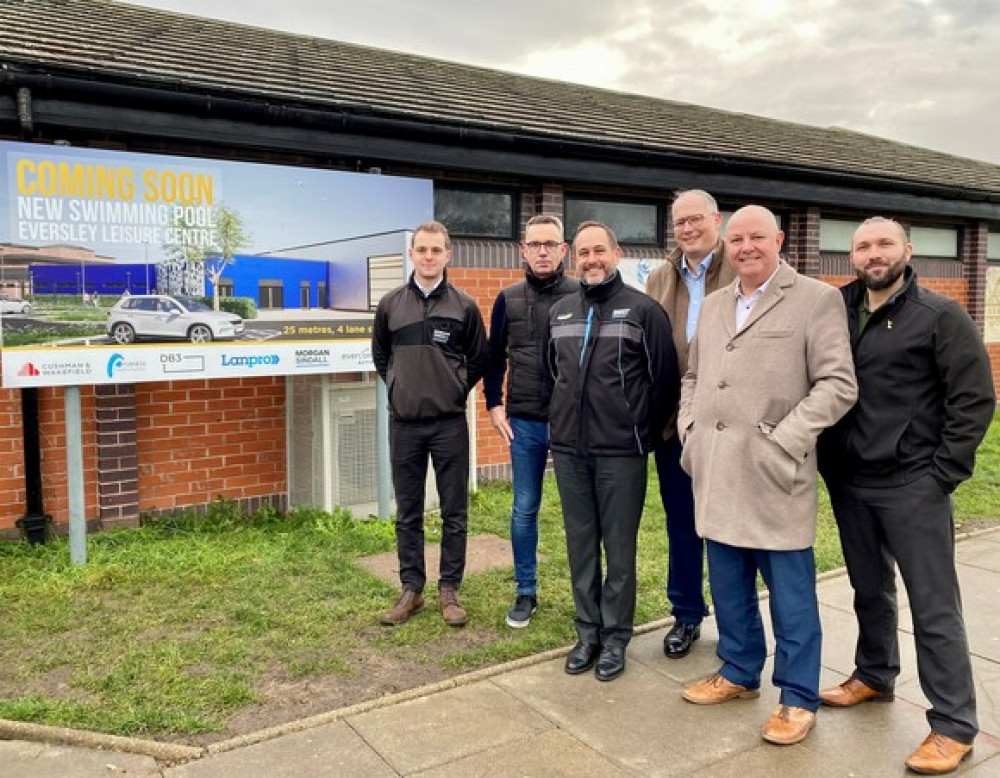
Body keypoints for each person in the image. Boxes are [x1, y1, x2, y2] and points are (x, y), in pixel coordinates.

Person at [817, 217, 995, 775]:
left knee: (934, 605)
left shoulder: (940, 316)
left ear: (907, 251)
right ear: (852, 255)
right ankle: (874, 674)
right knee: (868, 588)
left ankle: (953, 724)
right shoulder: (837, 308)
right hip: (849, 479)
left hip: (914, 483)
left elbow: (974, 401)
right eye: (863, 245)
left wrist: (942, 474)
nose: (873, 254)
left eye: (884, 244)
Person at [679, 205, 857, 745]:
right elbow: (693, 374)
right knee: (728, 582)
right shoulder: (712, 306)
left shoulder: (815, 299)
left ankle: (797, 697)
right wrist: (689, 431)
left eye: (757, 237)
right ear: (726, 246)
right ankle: (737, 670)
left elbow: (837, 384)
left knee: (791, 593)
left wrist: (785, 440)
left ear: (779, 240)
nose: (746, 247)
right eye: (737, 239)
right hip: (715, 468)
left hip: (774, 471)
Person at [547, 221, 679, 681]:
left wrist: (638, 429)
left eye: (598, 251)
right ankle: (587, 632)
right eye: (582, 253)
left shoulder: (644, 311)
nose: (591, 260)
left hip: (622, 453)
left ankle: (616, 636)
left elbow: (664, 384)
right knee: (581, 545)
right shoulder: (560, 311)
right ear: (573, 258)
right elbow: (555, 377)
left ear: (616, 253)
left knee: (619, 549)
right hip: (569, 452)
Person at [372, 220, 489, 628]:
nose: (428, 257)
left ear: (447, 255)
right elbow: (382, 358)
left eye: (436, 250)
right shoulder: (390, 305)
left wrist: (455, 389)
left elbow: (479, 360)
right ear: (412, 254)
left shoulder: (465, 306)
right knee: (409, 512)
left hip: (449, 425)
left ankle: (449, 590)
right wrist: (402, 390)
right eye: (422, 250)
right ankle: (412, 590)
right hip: (404, 424)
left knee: (454, 511)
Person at [645, 189, 735, 658]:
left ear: (716, 220)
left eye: (695, 220)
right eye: (679, 222)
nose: (686, 229)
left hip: (732, 426)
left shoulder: (741, 267)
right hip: (672, 425)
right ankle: (686, 614)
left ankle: (737, 624)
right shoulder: (660, 278)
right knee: (682, 523)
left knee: (730, 527)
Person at [483, 214, 578, 628]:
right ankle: (526, 591)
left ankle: (586, 598)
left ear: (563, 249)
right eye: (534, 244)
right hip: (524, 423)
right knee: (524, 509)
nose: (542, 250)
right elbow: (494, 355)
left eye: (550, 244)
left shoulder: (581, 294)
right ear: (523, 249)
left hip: (573, 422)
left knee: (581, 511)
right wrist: (493, 404)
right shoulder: (508, 298)